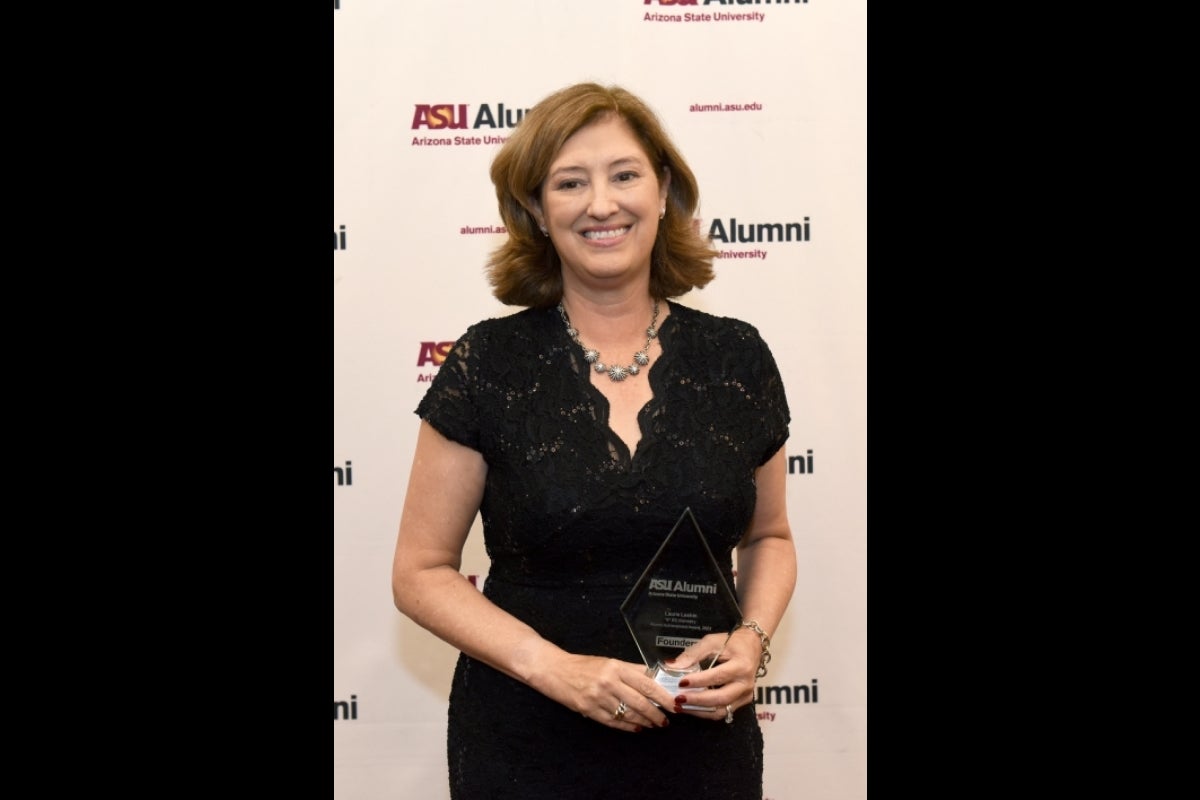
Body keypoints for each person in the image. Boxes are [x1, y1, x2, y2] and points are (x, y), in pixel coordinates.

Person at [392, 82, 796, 799]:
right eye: (569, 183)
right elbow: (420, 572)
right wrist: (559, 670)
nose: (602, 204)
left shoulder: (737, 359)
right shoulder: (489, 363)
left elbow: (769, 537)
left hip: (701, 741)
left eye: (624, 174)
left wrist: (751, 640)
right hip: (526, 740)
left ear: (663, 189)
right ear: (538, 213)